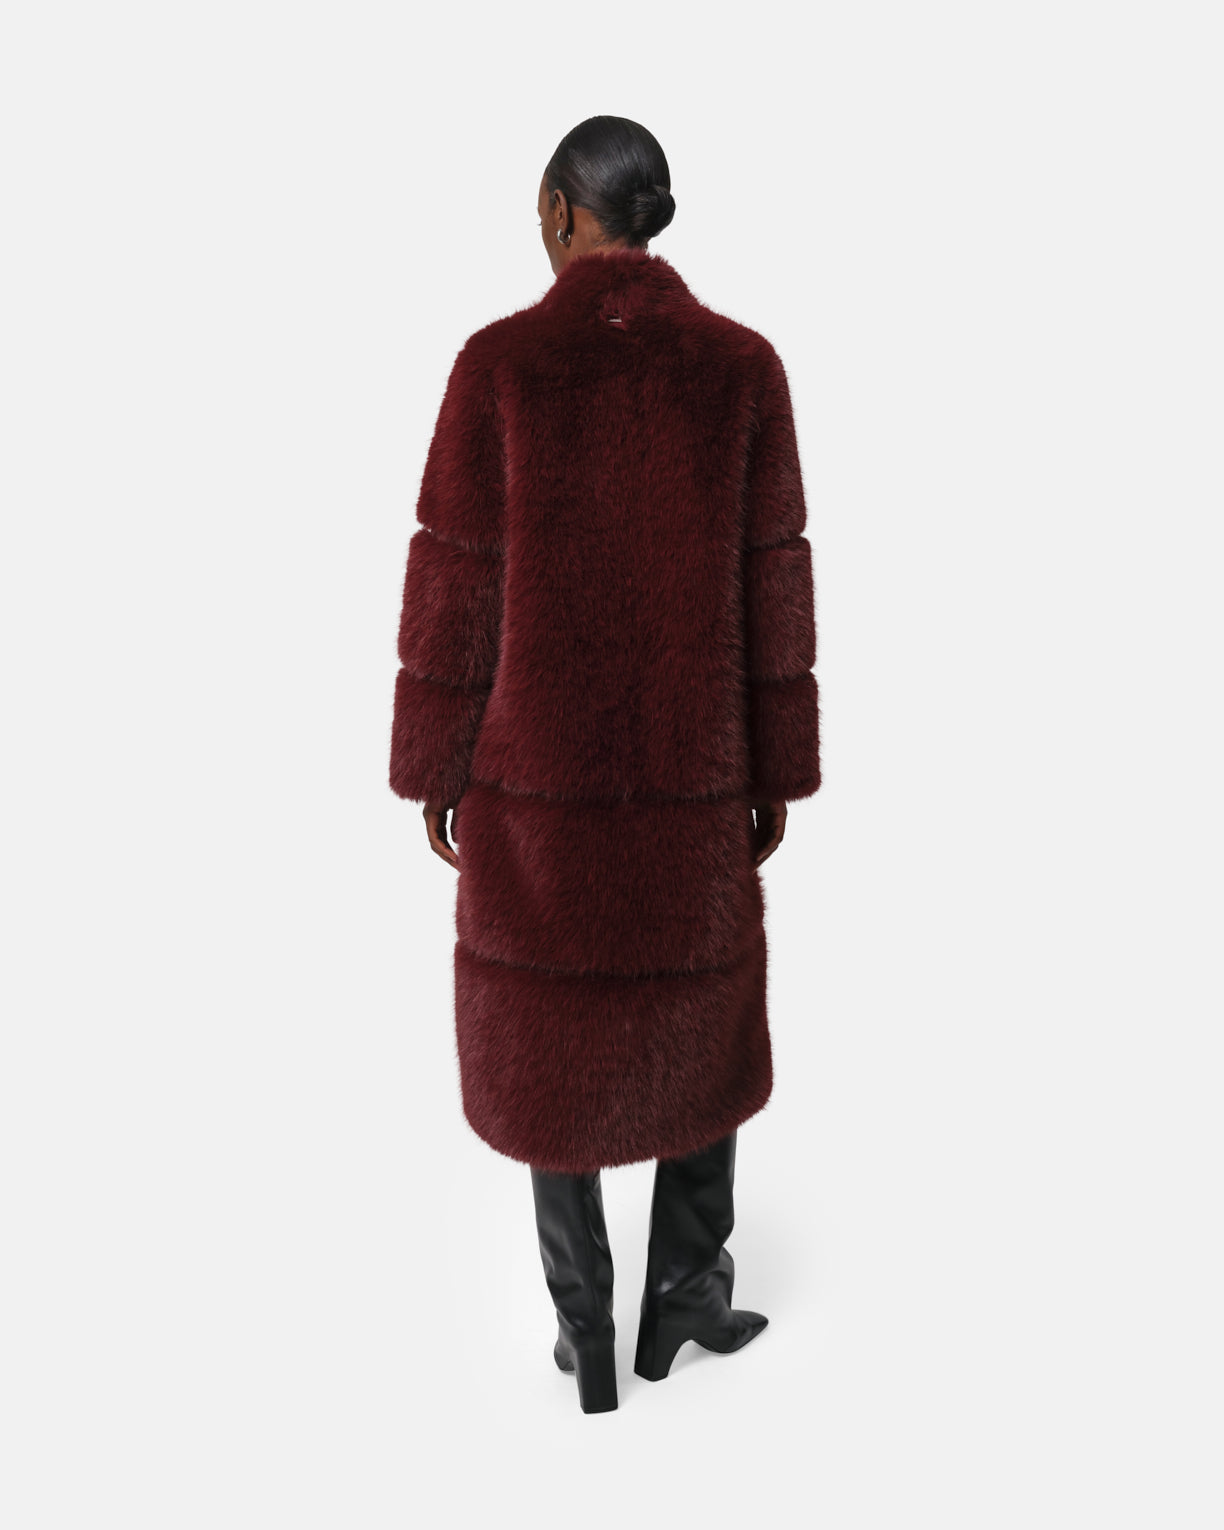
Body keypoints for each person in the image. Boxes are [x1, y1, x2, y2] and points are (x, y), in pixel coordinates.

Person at [389, 116, 821, 1413]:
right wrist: (776, 769)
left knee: (550, 1030)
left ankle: (584, 1322)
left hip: (537, 784)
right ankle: (683, 1293)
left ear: (561, 213)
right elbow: (773, 586)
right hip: (696, 774)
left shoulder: (500, 367)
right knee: (703, 1011)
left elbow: (457, 582)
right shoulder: (741, 370)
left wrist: (434, 764)